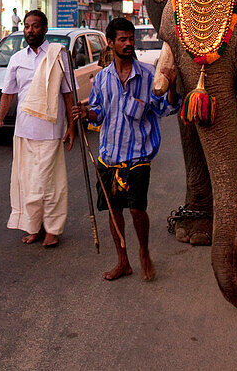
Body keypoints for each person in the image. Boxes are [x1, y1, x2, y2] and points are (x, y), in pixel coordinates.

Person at [75, 18, 177, 281]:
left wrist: (173, 85)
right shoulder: (102, 79)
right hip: (109, 156)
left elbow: (166, 108)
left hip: (138, 155)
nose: (129, 43)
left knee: (136, 209)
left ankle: (143, 252)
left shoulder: (148, 75)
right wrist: (86, 113)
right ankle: (123, 261)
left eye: (131, 39)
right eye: (123, 39)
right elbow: (98, 114)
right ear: (110, 43)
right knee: (114, 209)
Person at [0, 10, 77, 247]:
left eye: (35, 26)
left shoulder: (59, 55)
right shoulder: (16, 59)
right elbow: (8, 93)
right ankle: (33, 227)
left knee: (49, 183)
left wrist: (72, 126)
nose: (30, 30)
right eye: (26, 26)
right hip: (24, 130)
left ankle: (52, 230)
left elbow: (68, 94)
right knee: (28, 182)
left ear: (45, 29)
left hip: (51, 130)